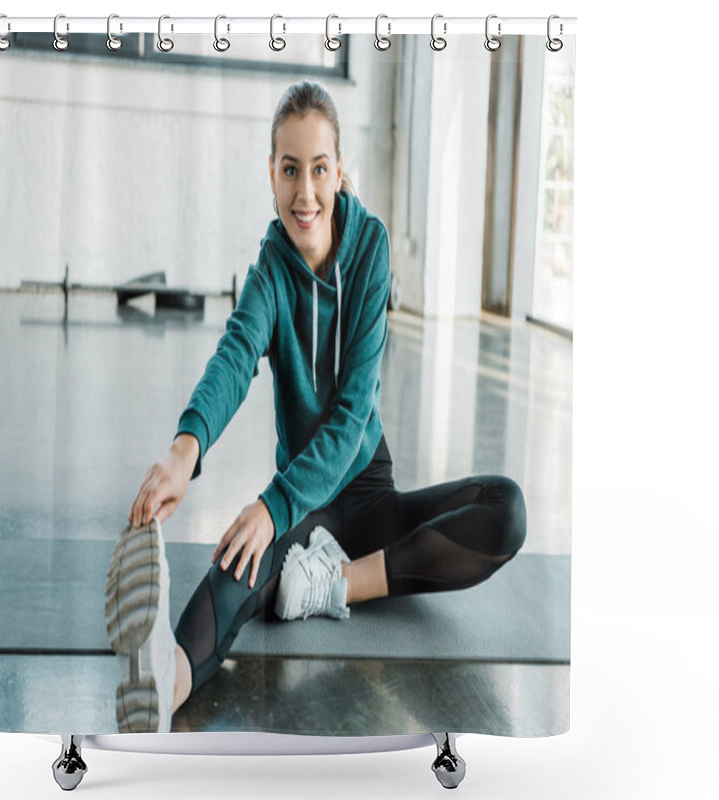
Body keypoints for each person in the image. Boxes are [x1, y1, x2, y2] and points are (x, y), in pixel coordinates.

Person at [105, 80, 527, 734]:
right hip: (310, 502)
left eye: (320, 169)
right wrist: (183, 453)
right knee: (240, 559)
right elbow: (235, 354)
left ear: (340, 172)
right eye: (290, 170)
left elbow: (353, 412)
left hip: (370, 493)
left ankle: (337, 585)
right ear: (271, 176)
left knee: (506, 510)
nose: (306, 193)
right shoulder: (270, 272)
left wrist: (274, 509)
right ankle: (167, 682)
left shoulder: (371, 249)